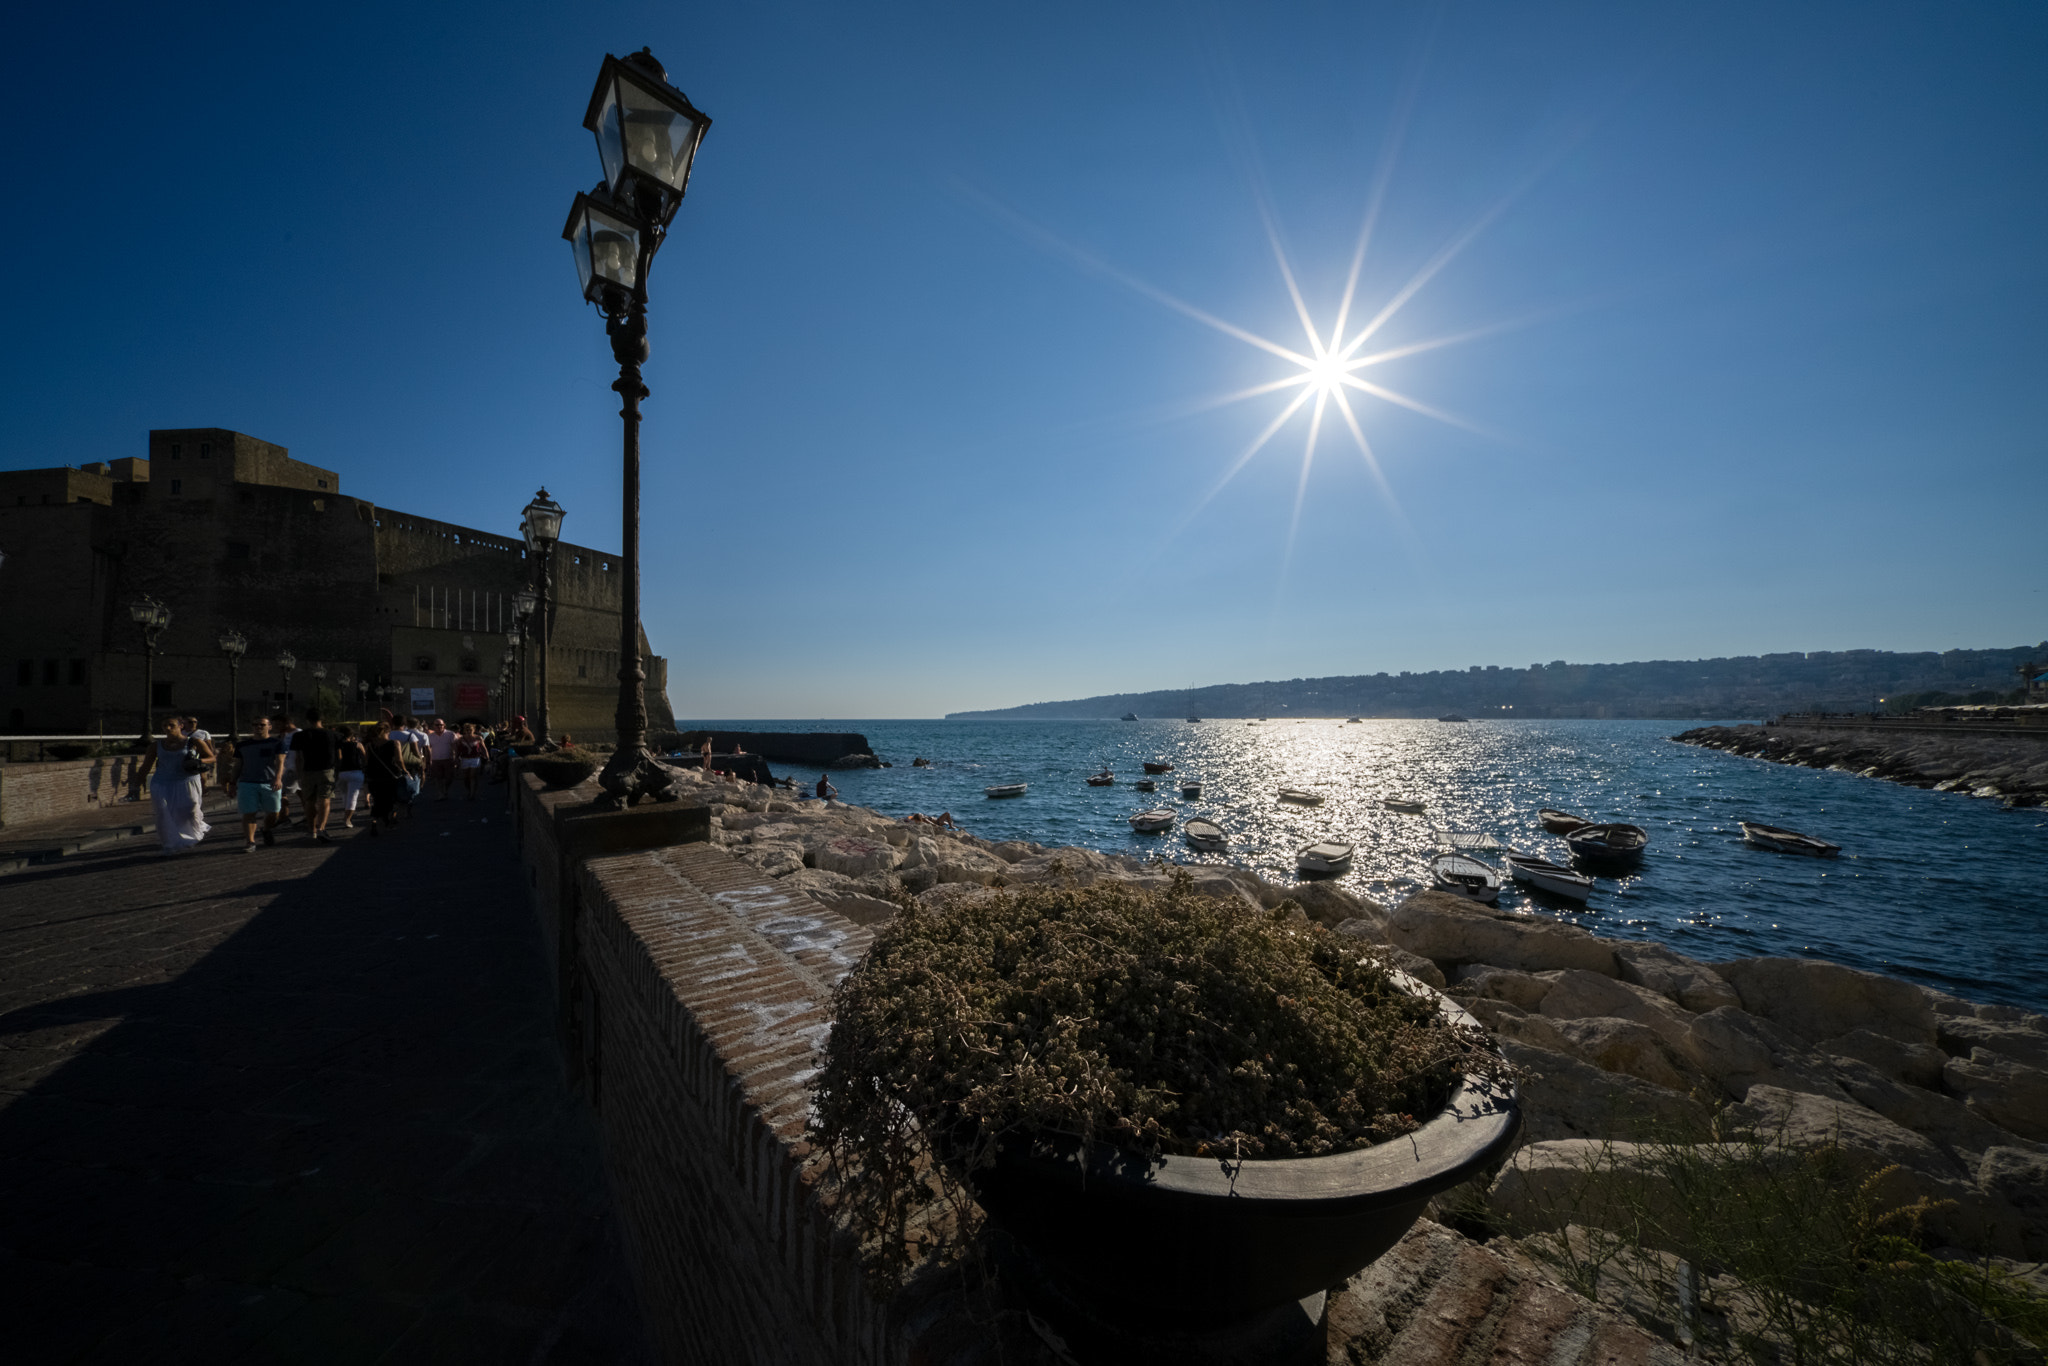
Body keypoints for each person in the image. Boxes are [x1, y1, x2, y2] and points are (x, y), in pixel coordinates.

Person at [133, 716, 214, 854]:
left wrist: (199, 762)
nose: (168, 728)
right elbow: (146, 766)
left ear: (181, 726)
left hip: (187, 781)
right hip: (162, 782)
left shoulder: (194, 742)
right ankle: (169, 843)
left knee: (190, 809)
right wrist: (136, 784)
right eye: (165, 726)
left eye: (171, 725)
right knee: (163, 813)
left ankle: (191, 835)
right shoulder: (155, 746)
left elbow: (212, 757)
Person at [233, 716, 289, 851]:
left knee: (274, 812)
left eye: (262, 725)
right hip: (247, 782)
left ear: (269, 727)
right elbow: (238, 765)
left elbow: (280, 762)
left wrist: (278, 778)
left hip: (269, 783)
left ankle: (266, 829)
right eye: (255, 724)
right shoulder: (242, 745)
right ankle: (250, 842)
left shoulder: (277, 743)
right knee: (249, 813)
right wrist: (232, 782)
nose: (258, 727)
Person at [294, 707, 338, 843]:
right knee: (325, 799)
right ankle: (321, 828)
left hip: (307, 770)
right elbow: (338, 755)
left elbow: (298, 757)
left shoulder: (299, 735)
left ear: (307, 720)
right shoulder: (332, 735)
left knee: (309, 801)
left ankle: (311, 829)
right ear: (321, 719)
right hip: (327, 770)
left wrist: (299, 774)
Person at [362, 719, 407, 835]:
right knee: (392, 800)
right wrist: (405, 770)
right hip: (390, 776)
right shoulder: (394, 743)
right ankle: (389, 820)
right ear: (388, 731)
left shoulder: (369, 745)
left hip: (374, 777)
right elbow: (399, 760)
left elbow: (366, 762)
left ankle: (374, 821)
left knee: (378, 800)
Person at [333, 724, 367, 829]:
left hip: (341, 773)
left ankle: (346, 814)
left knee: (344, 795)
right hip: (356, 772)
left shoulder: (337, 746)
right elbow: (365, 758)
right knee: (353, 797)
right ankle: (347, 818)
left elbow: (338, 759)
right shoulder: (357, 745)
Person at [454, 721, 489, 800]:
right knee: (466, 777)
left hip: (475, 758)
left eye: (470, 730)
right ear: (464, 730)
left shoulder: (478, 738)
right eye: (467, 730)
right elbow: (458, 750)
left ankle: (472, 794)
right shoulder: (461, 739)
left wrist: (487, 756)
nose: (468, 731)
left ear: (473, 730)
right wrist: (456, 758)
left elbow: (483, 748)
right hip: (465, 759)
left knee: (472, 776)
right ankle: (469, 791)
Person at [425, 717, 457, 799]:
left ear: (444, 725)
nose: (439, 726)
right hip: (436, 760)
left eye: (441, 725)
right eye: (437, 725)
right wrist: (428, 760)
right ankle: (441, 793)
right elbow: (428, 749)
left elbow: (455, 747)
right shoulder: (430, 736)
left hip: (448, 759)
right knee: (438, 778)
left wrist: (456, 758)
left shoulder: (451, 734)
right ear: (433, 726)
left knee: (449, 778)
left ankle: (445, 789)